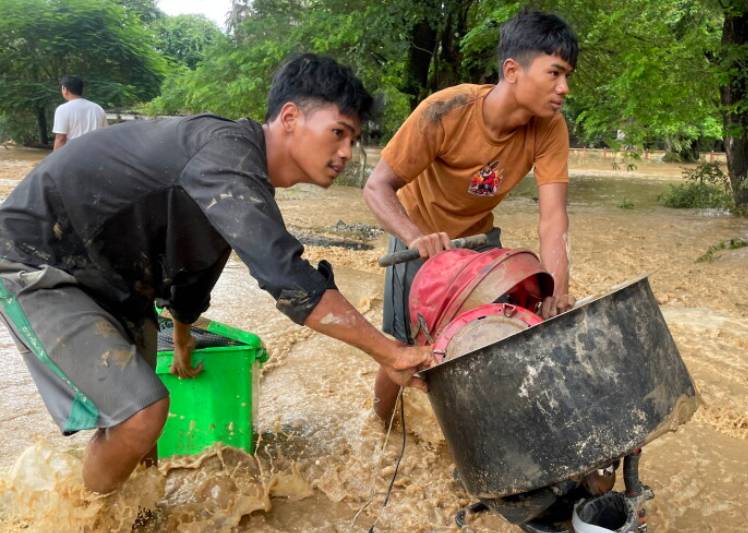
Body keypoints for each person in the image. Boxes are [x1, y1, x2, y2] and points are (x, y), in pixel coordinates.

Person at [0, 54, 433, 494]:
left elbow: (193, 273)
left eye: (354, 139)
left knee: (142, 438)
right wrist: (390, 352)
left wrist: (184, 340)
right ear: (289, 117)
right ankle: (84, 523)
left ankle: (139, 519)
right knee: (141, 414)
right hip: (35, 258)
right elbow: (287, 277)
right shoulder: (225, 153)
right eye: (338, 132)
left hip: (115, 280)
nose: (346, 152)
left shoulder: (240, 178)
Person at [363, 9, 579, 421]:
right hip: (420, 243)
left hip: (479, 245)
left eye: (567, 75)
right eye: (554, 73)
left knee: (499, 339)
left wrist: (557, 290)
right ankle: (380, 428)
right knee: (405, 350)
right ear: (512, 70)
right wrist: (414, 236)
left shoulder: (550, 128)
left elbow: (553, 219)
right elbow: (377, 186)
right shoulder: (446, 110)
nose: (564, 88)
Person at [52, 76, 108, 150]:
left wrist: (55, 160)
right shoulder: (97, 108)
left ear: (65, 90)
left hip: (74, 155)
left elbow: (60, 139)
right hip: (95, 154)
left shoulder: (62, 109)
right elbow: (105, 134)